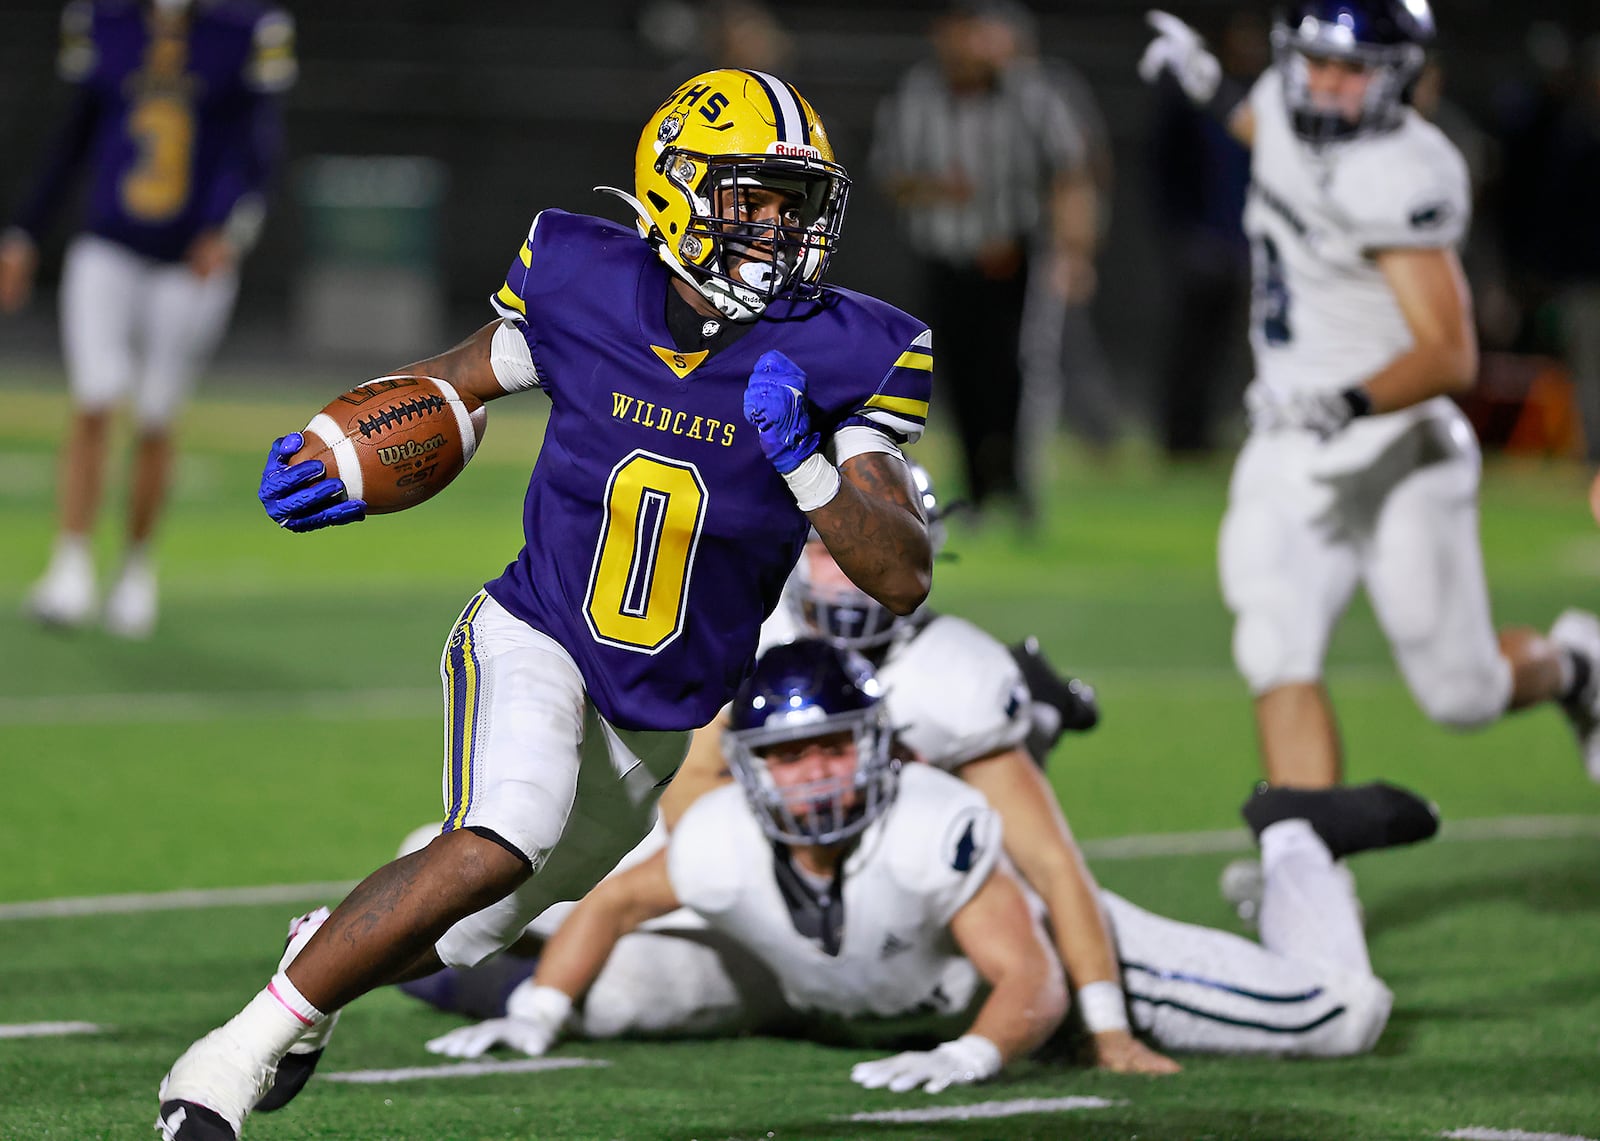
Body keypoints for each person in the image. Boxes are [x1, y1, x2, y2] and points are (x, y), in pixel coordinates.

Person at [155, 68, 937, 1141]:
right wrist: (348, 456)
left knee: (474, 928)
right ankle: (223, 1067)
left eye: (793, 204)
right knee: (502, 831)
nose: (778, 229)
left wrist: (809, 466)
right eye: (750, 198)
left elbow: (901, 573)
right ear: (675, 188)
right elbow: (458, 383)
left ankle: (320, 951)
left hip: (663, 712)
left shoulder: (851, 352)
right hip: (535, 630)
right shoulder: (583, 279)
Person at [418, 640, 1440, 1076]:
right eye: (790, 757)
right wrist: (541, 1011)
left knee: (1342, 1013)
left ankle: (1297, 836)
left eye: (832, 751)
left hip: (1019, 967)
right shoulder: (725, 831)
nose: (814, 777)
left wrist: (986, 1050)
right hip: (859, 980)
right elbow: (617, 898)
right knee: (452, 865)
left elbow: (1029, 962)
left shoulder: (928, 816)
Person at [1137, 3, 1600, 803]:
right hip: (1289, 438)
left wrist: (1347, 400)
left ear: (1399, 78)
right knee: (1272, 640)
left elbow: (1451, 354)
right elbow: (1260, 122)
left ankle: (1577, 668)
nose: (1323, 84)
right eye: (1312, 61)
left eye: (1349, 69)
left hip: (1399, 443)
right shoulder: (1285, 104)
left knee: (1464, 694)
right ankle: (1307, 871)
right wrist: (1207, 85)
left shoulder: (1408, 171)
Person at [657, 464, 1178, 1075]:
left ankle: (1039, 720)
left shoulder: (952, 672)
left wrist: (1108, 1026)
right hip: (801, 896)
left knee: (1289, 1010)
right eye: (828, 551)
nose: (850, 574)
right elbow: (686, 812)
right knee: (613, 969)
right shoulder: (748, 638)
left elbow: (1049, 861)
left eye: (880, 545)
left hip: (937, 908)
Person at [1, 0, 295, 638]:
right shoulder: (101, 20)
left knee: (158, 413)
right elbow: (73, 131)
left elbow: (260, 146)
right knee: (94, 398)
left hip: (191, 259)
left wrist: (232, 232)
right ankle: (71, 565)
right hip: (107, 243)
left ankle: (136, 568)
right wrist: (24, 231)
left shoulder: (249, 29)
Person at [871, 0, 1098, 524]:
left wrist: (1073, 251)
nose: (968, 45)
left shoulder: (1030, 96)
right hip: (945, 258)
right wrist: (935, 189)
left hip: (1013, 257)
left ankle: (1018, 487)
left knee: (1018, 375)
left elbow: (1069, 172)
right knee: (960, 377)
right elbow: (891, 174)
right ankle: (976, 490)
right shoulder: (916, 95)